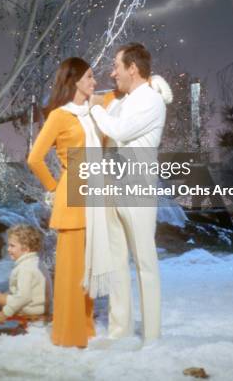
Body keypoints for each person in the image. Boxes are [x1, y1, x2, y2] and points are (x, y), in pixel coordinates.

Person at [27, 57, 113, 348]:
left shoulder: (92, 111)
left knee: (87, 267)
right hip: (73, 189)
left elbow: (120, 96)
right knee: (71, 270)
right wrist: (54, 187)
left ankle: (85, 327)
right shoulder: (59, 116)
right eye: (89, 77)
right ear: (75, 80)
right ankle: (67, 332)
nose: (94, 81)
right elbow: (34, 158)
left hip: (95, 193)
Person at [89, 43, 168, 342]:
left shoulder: (151, 101)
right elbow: (106, 113)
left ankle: (151, 336)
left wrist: (96, 108)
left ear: (132, 68)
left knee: (145, 263)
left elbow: (118, 131)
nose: (112, 73)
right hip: (113, 189)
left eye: (116, 67)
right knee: (116, 263)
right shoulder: (124, 100)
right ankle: (119, 331)